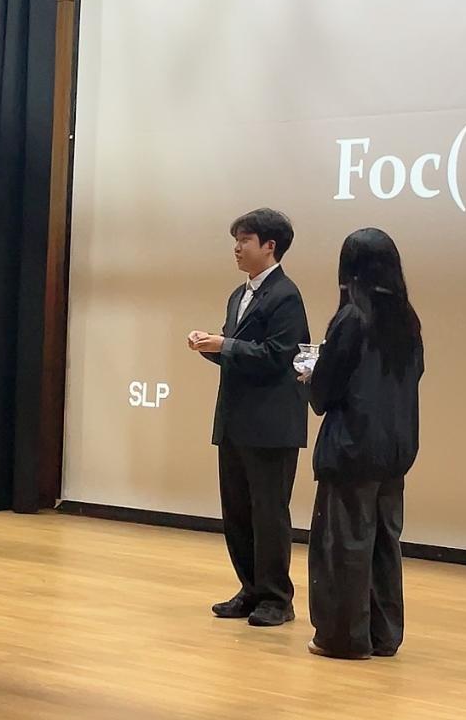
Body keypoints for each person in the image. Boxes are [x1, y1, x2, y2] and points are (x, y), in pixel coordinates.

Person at [304, 228, 424, 659]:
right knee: (384, 544)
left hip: (352, 448)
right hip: (395, 449)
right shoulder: (407, 319)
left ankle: (343, 638)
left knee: (344, 546)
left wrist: (310, 375)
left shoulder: (352, 317)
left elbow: (326, 390)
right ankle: (383, 634)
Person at [188, 208, 310, 627]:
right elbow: (238, 355)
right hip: (235, 420)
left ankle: (277, 597)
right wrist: (211, 346)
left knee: (269, 513)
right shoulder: (237, 295)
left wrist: (224, 345)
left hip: (271, 425)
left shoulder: (286, 295)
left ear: (269, 246)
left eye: (245, 240)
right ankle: (251, 588)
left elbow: (280, 356)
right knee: (237, 511)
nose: (237, 248)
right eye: (236, 240)